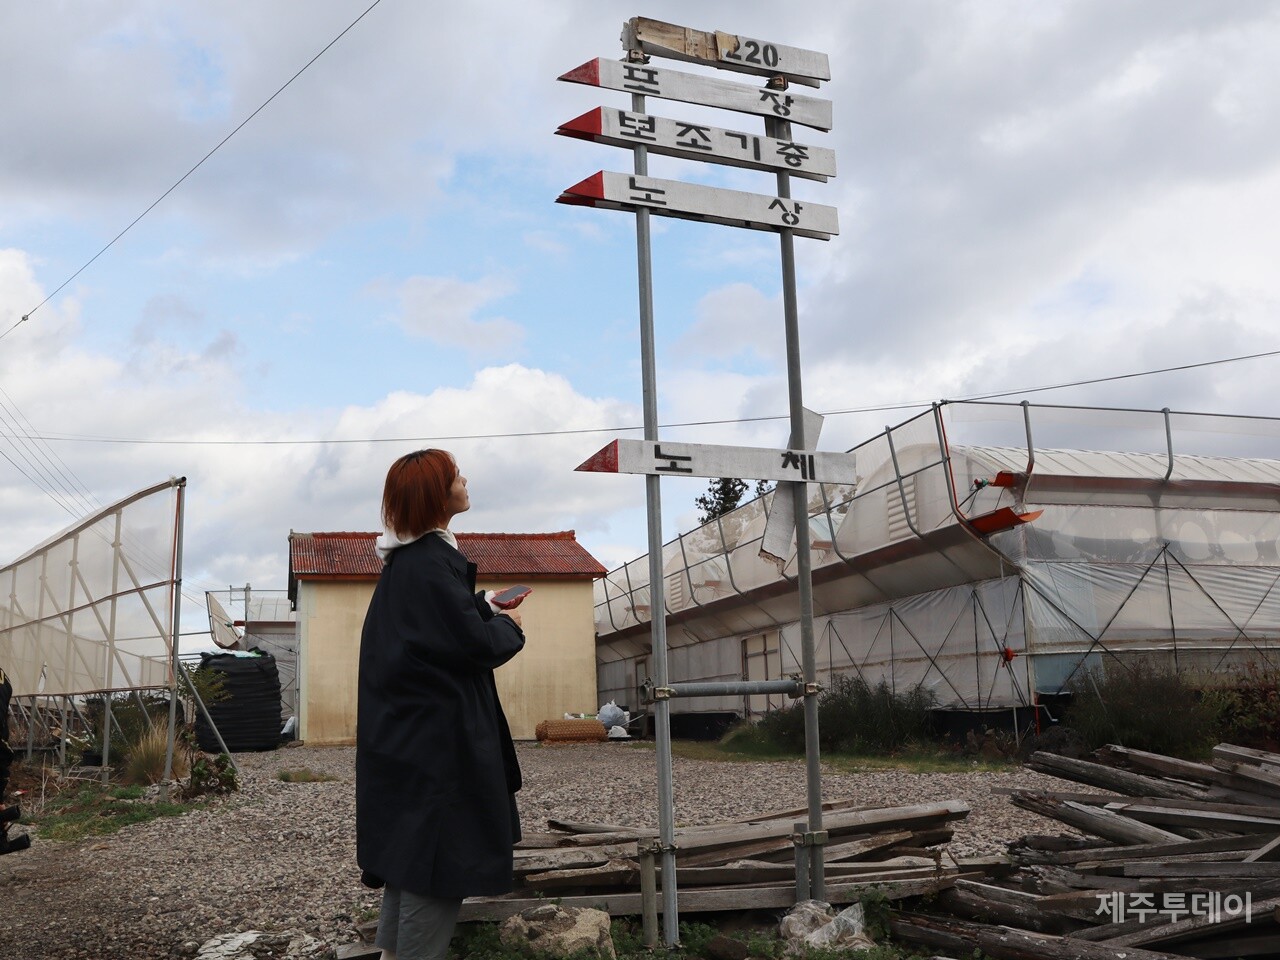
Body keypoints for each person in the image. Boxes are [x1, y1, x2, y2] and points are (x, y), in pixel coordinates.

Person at [356, 449, 526, 960]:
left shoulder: (411, 562)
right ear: (437, 495)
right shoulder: (431, 563)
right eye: (456, 476)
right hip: (438, 749)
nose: (465, 480)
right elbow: (472, 646)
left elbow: (437, 631)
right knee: (438, 863)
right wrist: (506, 627)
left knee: (411, 861)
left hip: (409, 743)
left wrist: (482, 604)